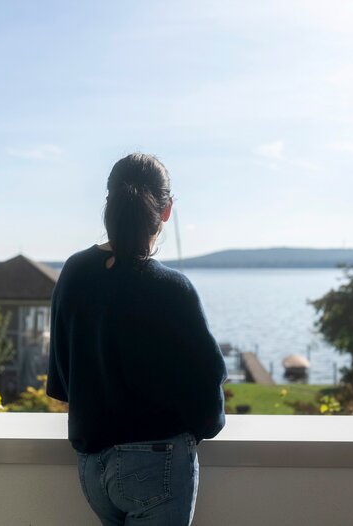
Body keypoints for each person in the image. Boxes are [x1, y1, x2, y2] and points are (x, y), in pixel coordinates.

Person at [46, 153, 228, 525]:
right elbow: (208, 392)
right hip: (158, 465)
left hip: (92, 466)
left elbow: (62, 383)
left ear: (109, 202)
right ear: (166, 210)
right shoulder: (172, 289)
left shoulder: (74, 272)